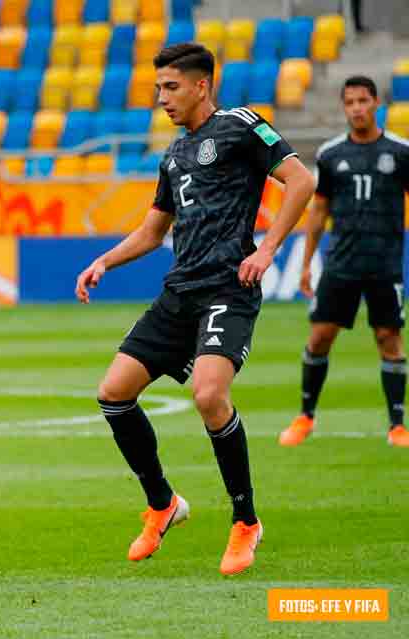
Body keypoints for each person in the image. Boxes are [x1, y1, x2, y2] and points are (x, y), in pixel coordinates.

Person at [74, 43, 316, 575]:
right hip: (180, 291)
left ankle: (246, 521)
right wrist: (105, 262)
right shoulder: (174, 155)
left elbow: (302, 180)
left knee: (210, 394)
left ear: (202, 85)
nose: (162, 98)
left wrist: (269, 247)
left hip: (228, 288)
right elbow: (152, 230)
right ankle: (163, 504)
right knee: (113, 394)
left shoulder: (242, 125)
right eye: (158, 88)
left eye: (171, 87)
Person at [280, 76, 409, 448]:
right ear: (344, 106)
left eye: (363, 101)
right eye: (350, 102)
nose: (357, 108)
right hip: (341, 264)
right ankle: (305, 417)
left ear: (376, 104)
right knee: (320, 337)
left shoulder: (400, 152)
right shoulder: (331, 154)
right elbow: (318, 211)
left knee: (389, 337)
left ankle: (397, 424)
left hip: (385, 263)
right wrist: (306, 264)